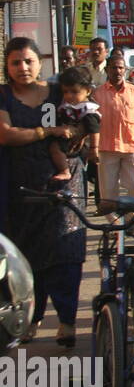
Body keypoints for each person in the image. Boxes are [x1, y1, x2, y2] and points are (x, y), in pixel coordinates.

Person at [0, 38, 86, 346]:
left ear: (40, 63)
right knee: (24, 254)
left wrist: (79, 134)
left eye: (28, 61)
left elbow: (79, 118)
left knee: (66, 251)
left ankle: (67, 322)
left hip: (63, 181)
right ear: (7, 67)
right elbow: (6, 135)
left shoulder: (56, 92)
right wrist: (46, 132)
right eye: (15, 62)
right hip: (19, 187)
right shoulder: (4, 96)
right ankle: (30, 319)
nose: (22, 68)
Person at [92, 53, 134, 202]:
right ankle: (113, 222)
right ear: (107, 70)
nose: (118, 71)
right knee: (108, 191)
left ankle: (130, 218)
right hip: (106, 148)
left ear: (125, 70)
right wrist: (92, 147)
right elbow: (92, 122)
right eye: (114, 68)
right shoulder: (98, 93)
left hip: (131, 146)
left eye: (121, 68)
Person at [49, 66, 101, 182]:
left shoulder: (87, 109)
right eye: (65, 92)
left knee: (54, 148)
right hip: (67, 138)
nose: (69, 95)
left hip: (75, 143)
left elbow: (94, 130)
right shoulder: (70, 105)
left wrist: (94, 148)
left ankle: (65, 171)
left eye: (74, 92)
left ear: (88, 91)